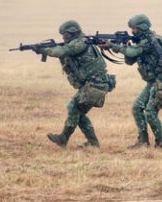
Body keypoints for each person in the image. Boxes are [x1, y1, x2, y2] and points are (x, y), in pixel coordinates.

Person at [103, 14, 162, 149]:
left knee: (150, 112)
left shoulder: (152, 41)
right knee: (137, 107)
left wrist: (114, 47)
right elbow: (130, 60)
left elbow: (134, 52)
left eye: (135, 28)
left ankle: (160, 143)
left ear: (142, 27)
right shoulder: (142, 42)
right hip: (153, 81)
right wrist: (124, 46)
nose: (133, 31)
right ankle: (143, 141)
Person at [36, 20, 115, 148]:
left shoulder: (79, 44)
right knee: (77, 111)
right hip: (94, 84)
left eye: (65, 34)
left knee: (73, 107)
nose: (63, 37)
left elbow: (60, 52)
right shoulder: (80, 41)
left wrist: (43, 50)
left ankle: (64, 138)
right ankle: (92, 143)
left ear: (72, 33)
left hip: (96, 84)